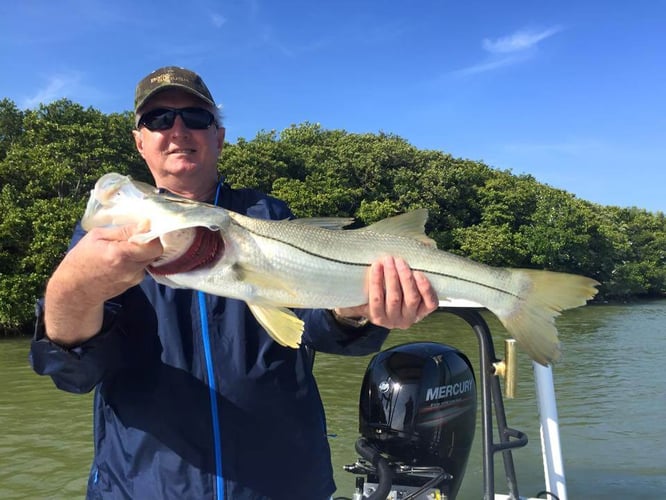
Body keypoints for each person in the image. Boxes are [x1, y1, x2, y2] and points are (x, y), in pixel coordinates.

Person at [30, 66, 439, 500]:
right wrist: (73, 288)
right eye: (158, 119)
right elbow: (74, 374)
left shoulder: (269, 215)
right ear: (140, 142)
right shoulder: (105, 236)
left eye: (196, 117)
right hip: (142, 486)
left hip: (284, 485)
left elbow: (316, 330)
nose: (178, 129)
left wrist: (355, 311)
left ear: (219, 136)